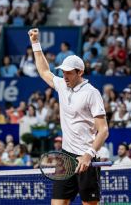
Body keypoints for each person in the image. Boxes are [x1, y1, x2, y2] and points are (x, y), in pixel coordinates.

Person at [28, 28, 109, 204]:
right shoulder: (62, 85)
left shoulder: (91, 93)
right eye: (63, 72)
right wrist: (35, 43)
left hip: (86, 158)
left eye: (69, 72)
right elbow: (44, 72)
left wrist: (89, 155)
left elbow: (103, 131)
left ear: (80, 72)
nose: (64, 76)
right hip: (65, 158)